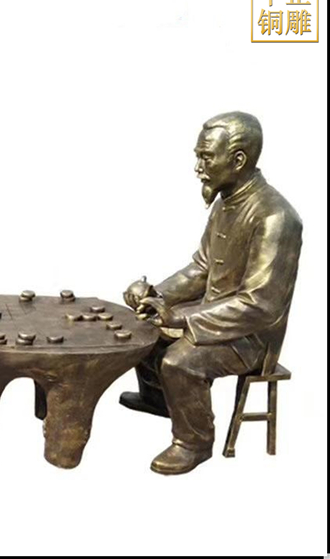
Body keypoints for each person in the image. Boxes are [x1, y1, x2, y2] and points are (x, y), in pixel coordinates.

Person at [120, 112, 303, 475]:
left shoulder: (275, 218)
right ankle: (159, 400)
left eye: (206, 157)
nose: (198, 168)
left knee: (179, 362)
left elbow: (260, 305)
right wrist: (156, 297)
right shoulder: (225, 202)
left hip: (251, 337)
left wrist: (180, 317)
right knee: (142, 326)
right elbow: (201, 268)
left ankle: (194, 442)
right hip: (215, 314)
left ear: (238, 160)